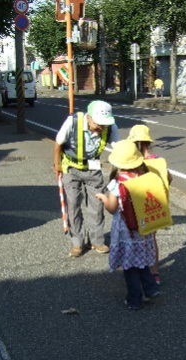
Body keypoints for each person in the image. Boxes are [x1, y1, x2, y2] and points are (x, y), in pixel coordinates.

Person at [95, 141, 162, 310]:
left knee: (130, 267)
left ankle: (134, 300)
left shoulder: (117, 184)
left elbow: (111, 208)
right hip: (143, 229)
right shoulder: (143, 179)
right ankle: (151, 288)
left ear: (117, 163)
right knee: (142, 263)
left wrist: (103, 198)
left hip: (127, 233)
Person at [53, 100, 120, 257]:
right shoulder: (73, 121)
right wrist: (57, 165)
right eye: (98, 124)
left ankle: (97, 241)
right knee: (73, 205)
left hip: (93, 169)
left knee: (97, 206)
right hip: (71, 169)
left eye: (104, 124)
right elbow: (58, 143)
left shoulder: (111, 127)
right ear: (89, 118)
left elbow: (119, 150)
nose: (101, 128)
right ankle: (77, 242)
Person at [127, 124, 173, 284]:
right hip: (153, 207)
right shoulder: (158, 161)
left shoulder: (131, 161)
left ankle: (138, 271)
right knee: (151, 240)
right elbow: (169, 179)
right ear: (148, 143)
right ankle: (154, 273)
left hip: (134, 208)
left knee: (134, 239)